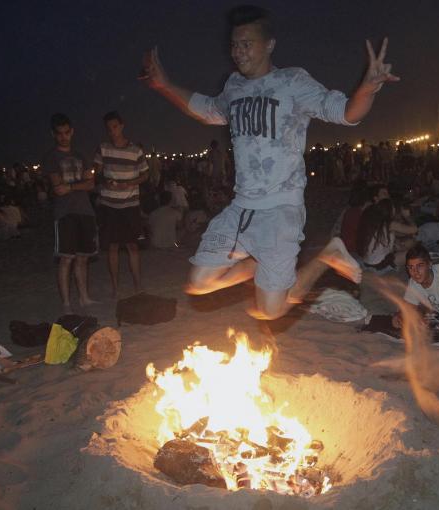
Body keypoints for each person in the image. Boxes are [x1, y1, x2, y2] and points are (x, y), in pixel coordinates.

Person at [140, 5, 398, 319]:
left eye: (246, 44)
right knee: (199, 283)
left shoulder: (292, 82)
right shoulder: (233, 86)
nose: (238, 52)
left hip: (280, 211)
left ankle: (327, 254)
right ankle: (261, 264)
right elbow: (205, 107)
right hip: (241, 209)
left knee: (270, 312)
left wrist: (368, 88)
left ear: (269, 45)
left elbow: (346, 112)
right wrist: (165, 85)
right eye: (234, 45)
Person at [42, 113, 97, 312]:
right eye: (59, 133)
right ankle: (66, 302)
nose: (64, 136)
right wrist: (79, 185)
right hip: (65, 213)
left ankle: (84, 297)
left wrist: (71, 187)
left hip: (85, 210)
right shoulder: (52, 157)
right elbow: (57, 188)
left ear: (71, 131)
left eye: (66, 132)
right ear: (54, 134)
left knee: (83, 257)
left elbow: (90, 184)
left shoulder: (81, 155)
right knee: (66, 258)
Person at [93, 111, 149, 298]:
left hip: (130, 203)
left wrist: (131, 183)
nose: (112, 131)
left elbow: (145, 174)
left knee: (133, 246)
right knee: (113, 246)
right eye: (109, 129)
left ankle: (138, 285)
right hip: (109, 204)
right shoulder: (103, 148)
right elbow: (97, 173)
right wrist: (104, 181)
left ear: (122, 126)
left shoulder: (135, 150)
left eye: (115, 127)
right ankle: (115, 287)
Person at [356, 198, 417, 270]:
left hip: (367, 262)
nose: (395, 209)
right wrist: (407, 216)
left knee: (403, 244)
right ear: (390, 210)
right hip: (379, 264)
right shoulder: (390, 224)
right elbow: (414, 229)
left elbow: (395, 235)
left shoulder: (376, 222)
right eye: (393, 207)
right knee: (413, 252)